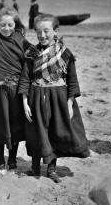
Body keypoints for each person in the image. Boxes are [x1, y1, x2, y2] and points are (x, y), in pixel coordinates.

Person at [19, 14, 90, 183]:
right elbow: (25, 79)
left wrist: (70, 102)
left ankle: (51, 169)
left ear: (56, 31)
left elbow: (72, 81)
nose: (42, 35)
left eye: (46, 31)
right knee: (36, 132)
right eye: (38, 32)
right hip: (35, 97)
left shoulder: (65, 54)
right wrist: (24, 101)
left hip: (58, 98)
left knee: (54, 132)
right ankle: (35, 168)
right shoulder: (31, 53)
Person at [0, 7, 30, 175]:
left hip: (16, 91)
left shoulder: (23, 42)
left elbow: (36, 59)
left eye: (10, 24)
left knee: (15, 126)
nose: (6, 28)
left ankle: (12, 159)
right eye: (2, 25)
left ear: (15, 24)